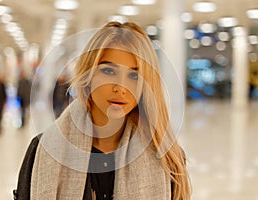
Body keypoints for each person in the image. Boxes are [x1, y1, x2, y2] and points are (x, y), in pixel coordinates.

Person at [14, 22, 191, 200]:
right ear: (88, 76)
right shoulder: (43, 148)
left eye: (134, 75)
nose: (121, 87)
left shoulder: (167, 157)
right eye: (108, 70)